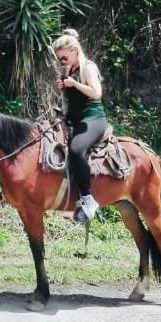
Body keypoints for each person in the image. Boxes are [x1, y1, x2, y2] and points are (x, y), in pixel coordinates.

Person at [53, 29, 107, 223]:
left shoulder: (87, 67)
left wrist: (74, 85)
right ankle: (68, 199)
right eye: (60, 59)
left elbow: (96, 93)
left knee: (76, 150)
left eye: (64, 57)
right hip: (75, 120)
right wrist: (64, 86)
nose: (62, 62)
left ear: (75, 50)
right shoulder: (70, 70)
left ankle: (88, 200)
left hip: (93, 119)